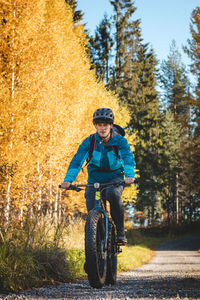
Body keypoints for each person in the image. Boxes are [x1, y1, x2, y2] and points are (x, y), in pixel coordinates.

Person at [61, 108, 135, 244]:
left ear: (111, 125)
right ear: (95, 125)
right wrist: (68, 180)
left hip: (115, 179)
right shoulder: (89, 141)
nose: (102, 128)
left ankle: (120, 233)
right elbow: (77, 161)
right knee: (93, 207)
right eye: (99, 124)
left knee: (113, 194)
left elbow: (127, 157)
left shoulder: (120, 141)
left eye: (105, 124)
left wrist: (129, 175)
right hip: (95, 181)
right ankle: (95, 244)